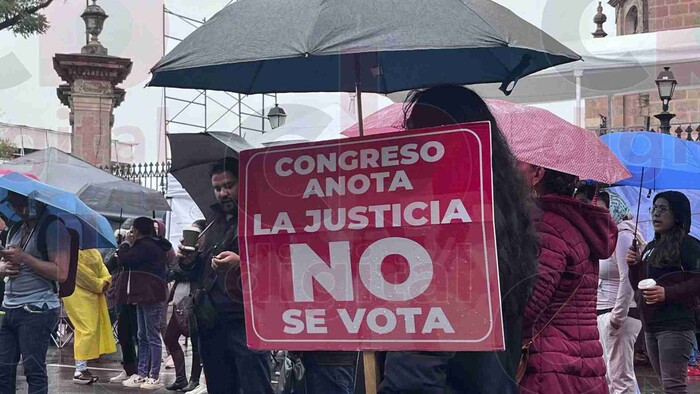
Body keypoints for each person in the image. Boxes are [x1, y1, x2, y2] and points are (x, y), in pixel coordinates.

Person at [378, 85, 539, 393]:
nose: (405, 148)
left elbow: (414, 375)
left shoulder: (440, 230)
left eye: (413, 137)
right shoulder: (502, 215)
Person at [177, 159, 273, 394]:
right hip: (211, 320)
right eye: (218, 188)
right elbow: (197, 271)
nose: (223, 193)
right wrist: (188, 261)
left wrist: (241, 263)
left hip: (245, 321)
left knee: (255, 387)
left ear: (243, 182)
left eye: (229, 185)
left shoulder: (260, 219)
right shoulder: (211, 223)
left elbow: (276, 265)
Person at [517, 167, 616, 393]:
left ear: (538, 175)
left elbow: (531, 304)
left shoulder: (547, 225)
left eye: (519, 165)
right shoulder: (577, 222)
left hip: (549, 366)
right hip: (583, 359)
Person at [627, 191, 700, 394]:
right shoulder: (651, 247)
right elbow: (638, 285)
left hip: (676, 326)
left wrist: (667, 293)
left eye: (663, 209)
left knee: (674, 387)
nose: (655, 214)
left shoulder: (689, 245)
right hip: (651, 326)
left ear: (677, 214)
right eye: (654, 208)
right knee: (667, 386)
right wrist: (634, 266)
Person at [0, 192, 71, 394]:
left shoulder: (53, 228)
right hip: (9, 306)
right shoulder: (16, 228)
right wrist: (3, 268)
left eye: (20, 205)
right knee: (3, 370)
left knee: (33, 370)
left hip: (37, 308)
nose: (16, 210)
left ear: (33, 202)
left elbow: (61, 272)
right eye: (12, 205)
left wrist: (24, 257)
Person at [576, 185, 644, 394]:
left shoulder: (623, 236)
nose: (593, 212)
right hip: (604, 313)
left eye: (599, 207)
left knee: (620, 379)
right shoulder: (607, 237)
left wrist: (617, 316)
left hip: (618, 316)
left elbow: (627, 279)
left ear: (612, 207)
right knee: (611, 377)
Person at [117, 217, 171, 390]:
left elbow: (125, 259)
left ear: (138, 231)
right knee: (142, 335)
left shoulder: (145, 246)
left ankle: (153, 375)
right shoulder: (154, 244)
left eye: (133, 230)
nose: (131, 233)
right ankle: (142, 373)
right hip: (143, 294)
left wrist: (125, 243)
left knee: (152, 336)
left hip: (150, 295)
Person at [62, 248, 116, 384]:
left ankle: (82, 368)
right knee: (86, 329)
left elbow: (104, 270)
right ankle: (79, 369)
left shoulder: (94, 252)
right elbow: (80, 275)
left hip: (94, 296)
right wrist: (101, 284)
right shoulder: (72, 252)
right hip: (77, 295)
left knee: (91, 329)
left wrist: (104, 282)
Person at [165, 219, 206, 392]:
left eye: (198, 233)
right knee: (169, 337)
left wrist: (191, 261)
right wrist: (184, 261)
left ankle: (194, 380)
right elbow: (171, 272)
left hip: (195, 301)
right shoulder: (183, 255)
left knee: (197, 342)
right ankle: (181, 378)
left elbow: (198, 274)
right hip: (179, 301)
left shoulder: (205, 254)